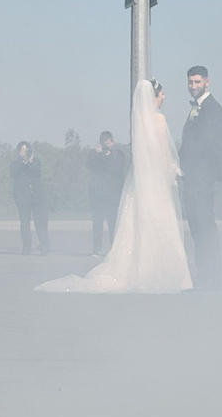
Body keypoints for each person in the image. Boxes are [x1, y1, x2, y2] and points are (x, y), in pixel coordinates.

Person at [38, 81, 190, 293]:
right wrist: (169, 172)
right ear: (154, 97)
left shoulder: (138, 121)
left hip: (139, 181)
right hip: (155, 180)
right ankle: (162, 269)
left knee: (138, 223)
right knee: (161, 221)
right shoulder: (159, 119)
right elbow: (164, 152)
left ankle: (139, 268)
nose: (164, 98)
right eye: (162, 94)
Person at [180, 64, 222, 288]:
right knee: (197, 226)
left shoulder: (213, 109)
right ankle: (204, 273)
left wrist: (186, 165)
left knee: (205, 225)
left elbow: (207, 144)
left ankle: (212, 274)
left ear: (207, 81)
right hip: (192, 178)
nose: (193, 86)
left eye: (197, 82)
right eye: (190, 82)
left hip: (203, 178)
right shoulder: (196, 108)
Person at [84, 131, 127, 255]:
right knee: (97, 222)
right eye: (104, 144)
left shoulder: (119, 154)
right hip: (97, 194)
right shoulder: (93, 153)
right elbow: (89, 166)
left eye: (108, 144)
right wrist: (98, 154)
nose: (106, 147)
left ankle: (114, 249)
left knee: (113, 223)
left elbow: (119, 168)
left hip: (113, 194)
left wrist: (110, 154)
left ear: (112, 143)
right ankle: (96, 249)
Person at [10, 141, 49, 255]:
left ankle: (45, 247)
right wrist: (23, 162)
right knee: (25, 224)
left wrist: (30, 161)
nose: (25, 152)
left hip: (37, 199)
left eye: (26, 150)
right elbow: (13, 173)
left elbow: (37, 173)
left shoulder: (36, 162)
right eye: (22, 150)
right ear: (19, 152)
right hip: (23, 199)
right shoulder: (15, 163)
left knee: (41, 224)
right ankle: (26, 248)